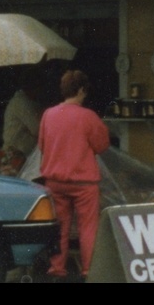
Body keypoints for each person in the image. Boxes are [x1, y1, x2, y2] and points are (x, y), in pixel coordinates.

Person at [37, 69, 110, 280]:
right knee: (88, 226)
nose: (85, 95)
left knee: (60, 226)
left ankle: (57, 269)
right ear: (80, 90)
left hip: (55, 181)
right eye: (84, 91)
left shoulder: (48, 115)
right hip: (84, 182)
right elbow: (102, 145)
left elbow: (42, 145)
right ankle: (88, 270)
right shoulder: (88, 117)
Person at [2, 68, 44, 157]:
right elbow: (37, 129)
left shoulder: (29, 101)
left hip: (23, 152)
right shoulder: (22, 102)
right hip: (16, 153)